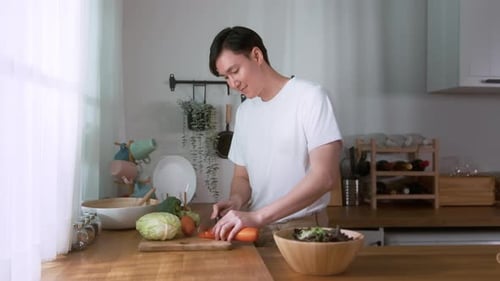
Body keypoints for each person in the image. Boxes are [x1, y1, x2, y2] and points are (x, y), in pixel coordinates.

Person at [208, 26, 342, 245]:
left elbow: (325, 177)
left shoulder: (310, 97)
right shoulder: (244, 112)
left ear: (257, 55)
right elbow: (242, 177)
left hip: (302, 230)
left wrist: (259, 216)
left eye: (235, 71)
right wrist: (236, 200)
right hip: (254, 229)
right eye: (226, 77)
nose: (233, 84)